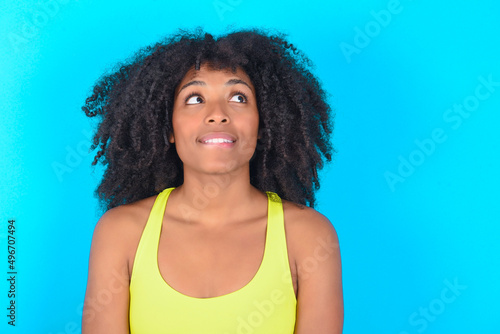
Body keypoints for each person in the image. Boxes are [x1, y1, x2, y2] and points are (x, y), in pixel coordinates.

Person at [81, 28, 343, 334]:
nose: (217, 114)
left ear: (263, 125)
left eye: (238, 97)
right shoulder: (120, 234)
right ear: (168, 128)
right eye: (194, 98)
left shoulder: (309, 238)